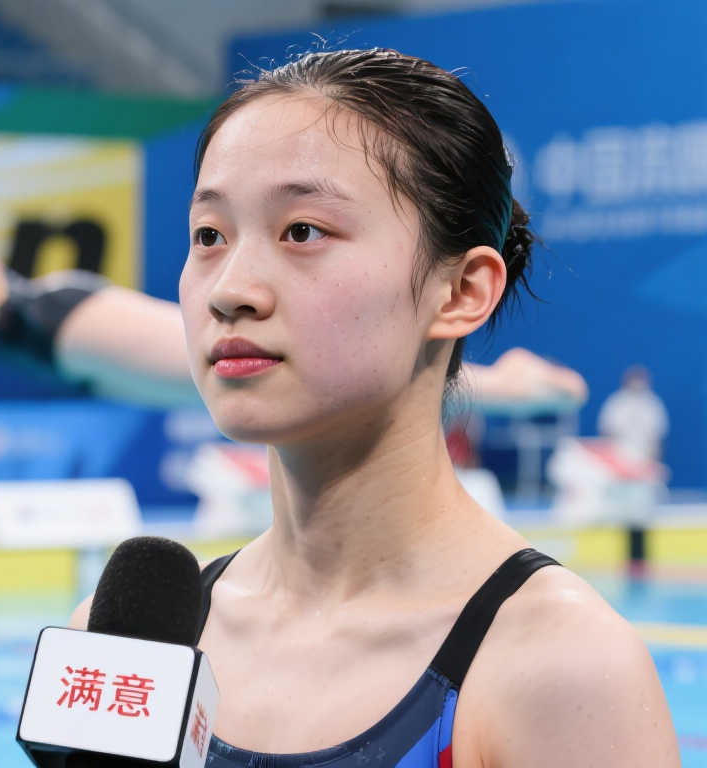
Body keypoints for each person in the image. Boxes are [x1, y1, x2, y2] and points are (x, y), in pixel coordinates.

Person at [71, 49, 678, 766]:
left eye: (303, 231)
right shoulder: (127, 644)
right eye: (210, 235)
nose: (230, 290)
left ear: (461, 292)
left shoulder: (559, 669)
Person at [0, 86, 586, 447]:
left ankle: (510, 384)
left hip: (59, 320)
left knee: (283, 378)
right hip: (56, 360)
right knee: (239, 399)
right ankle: (504, 386)